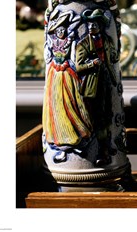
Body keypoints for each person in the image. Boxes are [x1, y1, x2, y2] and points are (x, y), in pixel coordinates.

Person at [42, 10, 92, 163]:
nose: (61, 31)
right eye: (58, 30)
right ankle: (60, 142)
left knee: (71, 103)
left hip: (66, 74)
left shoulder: (70, 40)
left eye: (63, 29)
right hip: (55, 74)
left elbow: (75, 24)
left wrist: (77, 17)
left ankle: (76, 138)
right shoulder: (51, 41)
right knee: (56, 105)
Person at [75, 8, 119, 166]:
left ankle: (107, 146)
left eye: (95, 23)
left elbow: (113, 57)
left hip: (106, 81)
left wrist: (113, 55)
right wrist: (92, 63)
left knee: (107, 115)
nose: (91, 26)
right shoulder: (83, 44)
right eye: (89, 24)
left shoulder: (106, 40)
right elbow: (78, 66)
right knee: (96, 119)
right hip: (92, 85)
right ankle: (99, 150)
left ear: (100, 25)